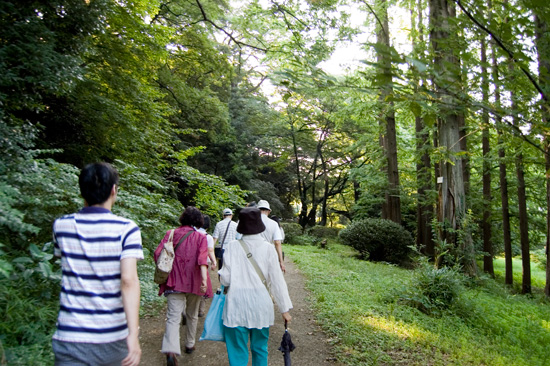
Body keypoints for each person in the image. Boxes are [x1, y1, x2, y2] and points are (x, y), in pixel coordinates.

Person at [51, 162, 143, 366]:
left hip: (70, 334)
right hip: (111, 336)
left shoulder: (62, 226)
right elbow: (128, 281)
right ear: (114, 190)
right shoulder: (127, 229)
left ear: (82, 190)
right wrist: (133, 334)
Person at [219, 207, 293, 366]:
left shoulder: (232, 246)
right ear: (260, 225)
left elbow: (225, 279)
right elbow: (277, 281)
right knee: (260, 348)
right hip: (261, 306)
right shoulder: (268, 248)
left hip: (236, 305)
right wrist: (284, 310)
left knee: (238, 350)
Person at [154, 206, 213, 366]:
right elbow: (202, 260)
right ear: (199, 221)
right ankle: (189, 344)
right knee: (192, 314)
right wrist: (203, 280)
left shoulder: (171, 234)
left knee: (173, 317)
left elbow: (158, 253)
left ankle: (171, 350)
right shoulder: (200, 237)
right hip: (194, 282)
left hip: (174, 281)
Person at [256, 200, 285, 272]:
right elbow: (277, 243)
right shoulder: (274, 224)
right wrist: (281, 262)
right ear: (269, 211)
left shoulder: (251, 222)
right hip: (269, 253)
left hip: (254, 253)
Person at [197, 214, 216, 317]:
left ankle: (188, 309)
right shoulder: (207, 237)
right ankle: (201, 309)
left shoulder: (193, 233)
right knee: (204, 283)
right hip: (206, 261)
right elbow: (210, 250)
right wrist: (214, 261)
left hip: (194, 262)